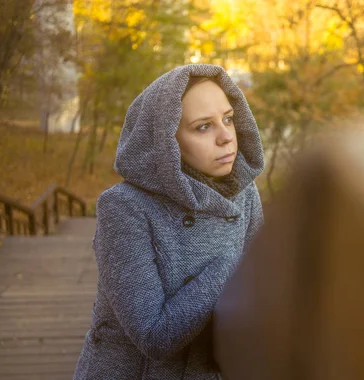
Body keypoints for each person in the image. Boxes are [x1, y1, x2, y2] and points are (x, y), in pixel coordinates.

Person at [73, 64, 265, 379]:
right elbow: (154, 335)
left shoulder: (243, 193)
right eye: (203, 127)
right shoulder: (123, 207)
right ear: (166, 140)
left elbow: (259, 293)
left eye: (228, 119)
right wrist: (235, 262)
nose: (226, 137)